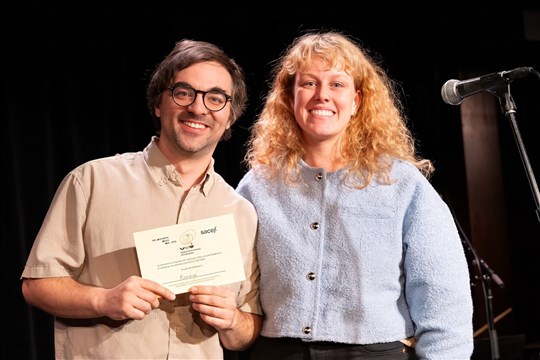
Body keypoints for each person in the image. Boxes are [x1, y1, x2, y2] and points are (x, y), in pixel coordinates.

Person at [236, 30, 474, 359]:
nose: (322, 95)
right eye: (308, 83)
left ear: (356, 102)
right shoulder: (257, 185)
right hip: (278, 351)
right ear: (290, 97)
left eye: (337, 84)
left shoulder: (401, 183)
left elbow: (443, 293)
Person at [21, 39, 262, 359]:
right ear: (159, 103)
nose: (198, 108)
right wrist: (103, 300)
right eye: (184, 92)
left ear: (230, 116)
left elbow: (246, 331)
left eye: (216, 98)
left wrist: (232, 320)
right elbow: (37, 285)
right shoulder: (92, 182)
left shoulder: (241, 212)